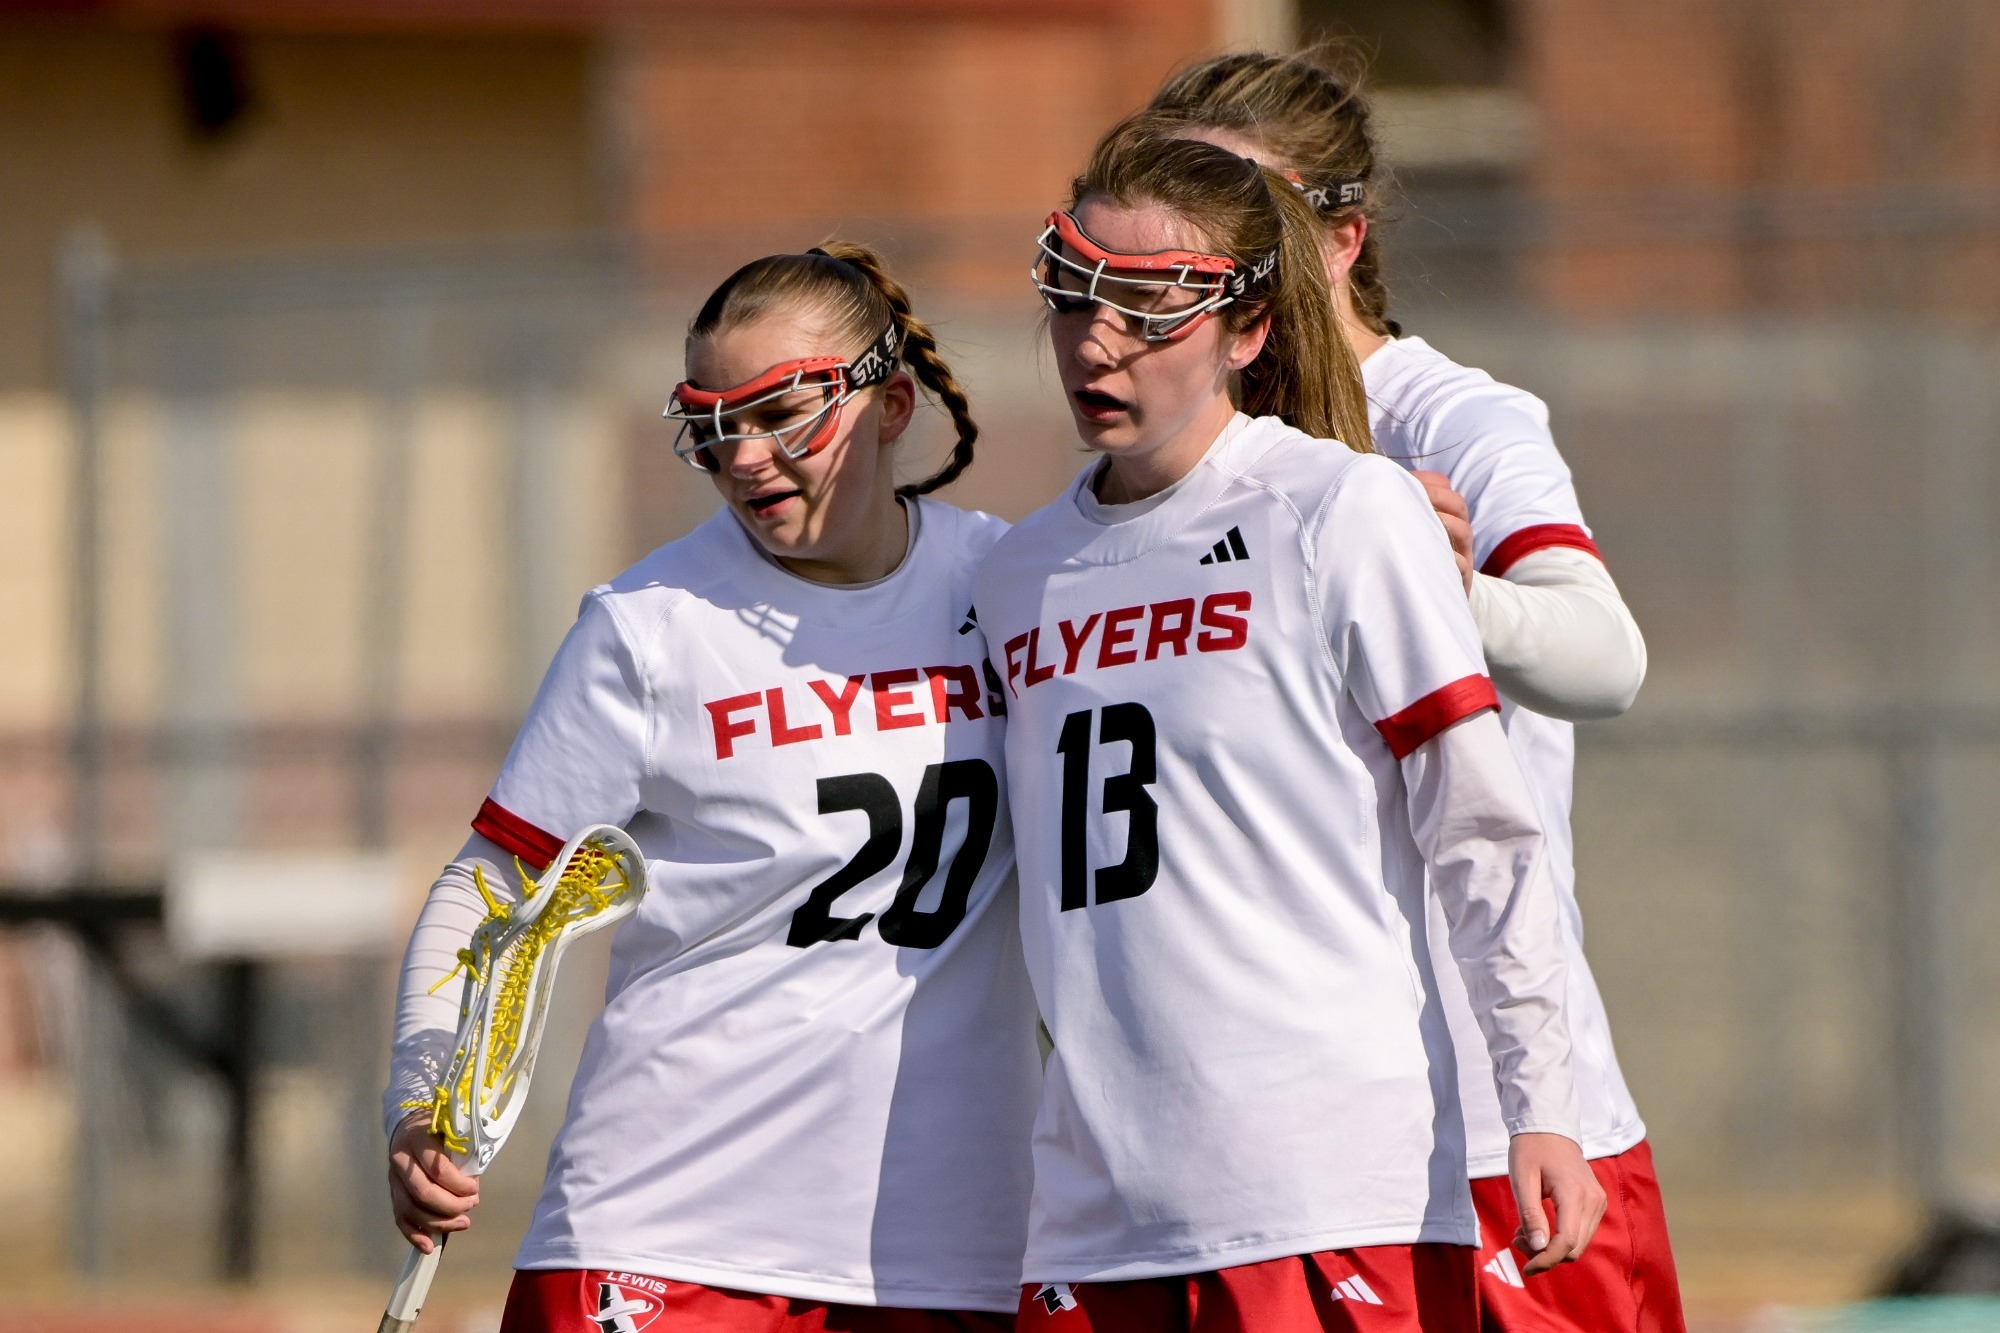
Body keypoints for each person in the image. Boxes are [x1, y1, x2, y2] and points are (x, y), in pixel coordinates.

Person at [975, 127, 1603, 1333]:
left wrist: (1540, 1105)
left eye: (1150, 306)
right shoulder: (1017, 572)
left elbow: (1482, 829)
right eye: (1072, 294)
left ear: (1248, 331)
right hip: (1093, 1213)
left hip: (1321, 1193)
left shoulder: (1341, 508)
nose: (1095, 342)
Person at [383, 243, 1039, 1332]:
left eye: (783, 411)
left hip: (945, 1248)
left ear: (891, 404)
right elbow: (487, 884)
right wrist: (415, 1099)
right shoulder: (649, 626)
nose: (744, 457)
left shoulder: (1015, 586)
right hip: (664, 1230)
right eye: (712, 424)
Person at [1140, 47, 1681, 1333]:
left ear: (1339, 236)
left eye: (1238, 213)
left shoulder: (1448, 422)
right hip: (1277, 1150)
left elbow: (1600, 654)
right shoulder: (1177, 453)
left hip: (1504, 1130)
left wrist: (1451, 598)